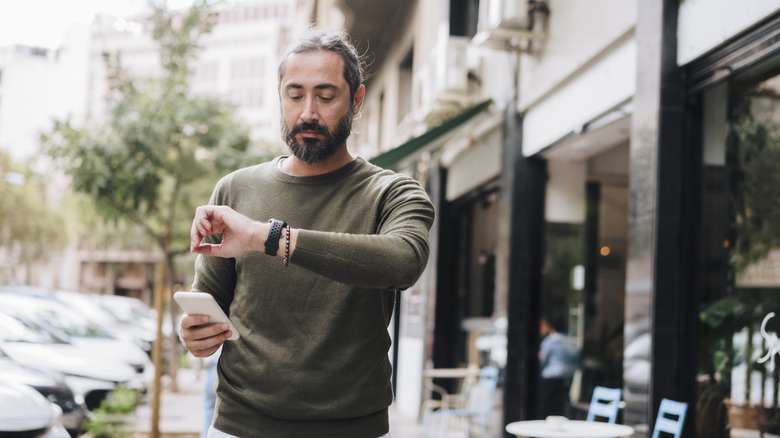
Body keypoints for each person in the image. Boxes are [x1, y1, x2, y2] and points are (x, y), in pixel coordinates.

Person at [179, 29, 435, 438]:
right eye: (295, 95)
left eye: (326, 96)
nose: (308, 112)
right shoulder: (235, 190)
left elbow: (403, 262)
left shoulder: (394, 192)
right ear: (279, 95)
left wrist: (270, 237)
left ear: (357, 99)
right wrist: (195, 333)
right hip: (240, 426)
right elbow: (209, 303)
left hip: (353, 430)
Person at [538, 316, 578, 418]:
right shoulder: (569, 341)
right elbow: (576, 357)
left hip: (551, 378)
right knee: (560, 407)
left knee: (546, 408)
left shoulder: (550, 341)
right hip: (566, 377)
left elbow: (543, 360)